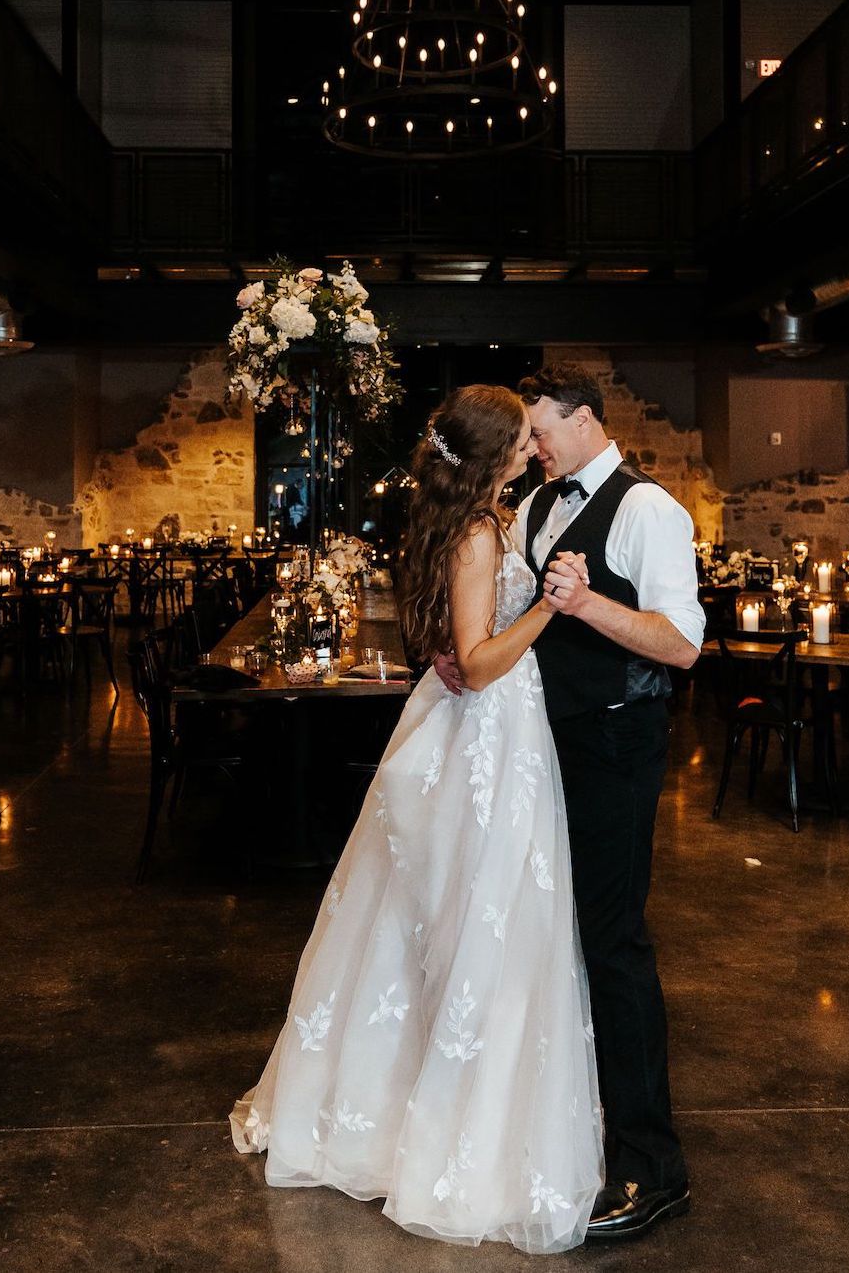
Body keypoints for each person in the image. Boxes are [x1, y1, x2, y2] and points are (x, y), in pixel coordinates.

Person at [229, 385, 604, 1253]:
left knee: (456, 923)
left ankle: (454, 1097)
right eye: (519, 439)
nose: (530, 447)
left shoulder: (483, 519)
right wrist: (550, 605)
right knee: (478, 923)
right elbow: (474, 665)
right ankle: (454, 1122)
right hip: (482, 739)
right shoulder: (476, 533)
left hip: (495, 738)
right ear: (490, 454)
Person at [514, 361, 704, 1241]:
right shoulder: (536, 507)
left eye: (542, 428)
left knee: (614, 939)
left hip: (618, 745)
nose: (533, 444)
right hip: (540, 744)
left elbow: (680, 644)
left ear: (587, 419)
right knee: (553, 937)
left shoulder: (648, 510)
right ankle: (568, 1125)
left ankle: (651, 1163)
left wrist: (587, 602)